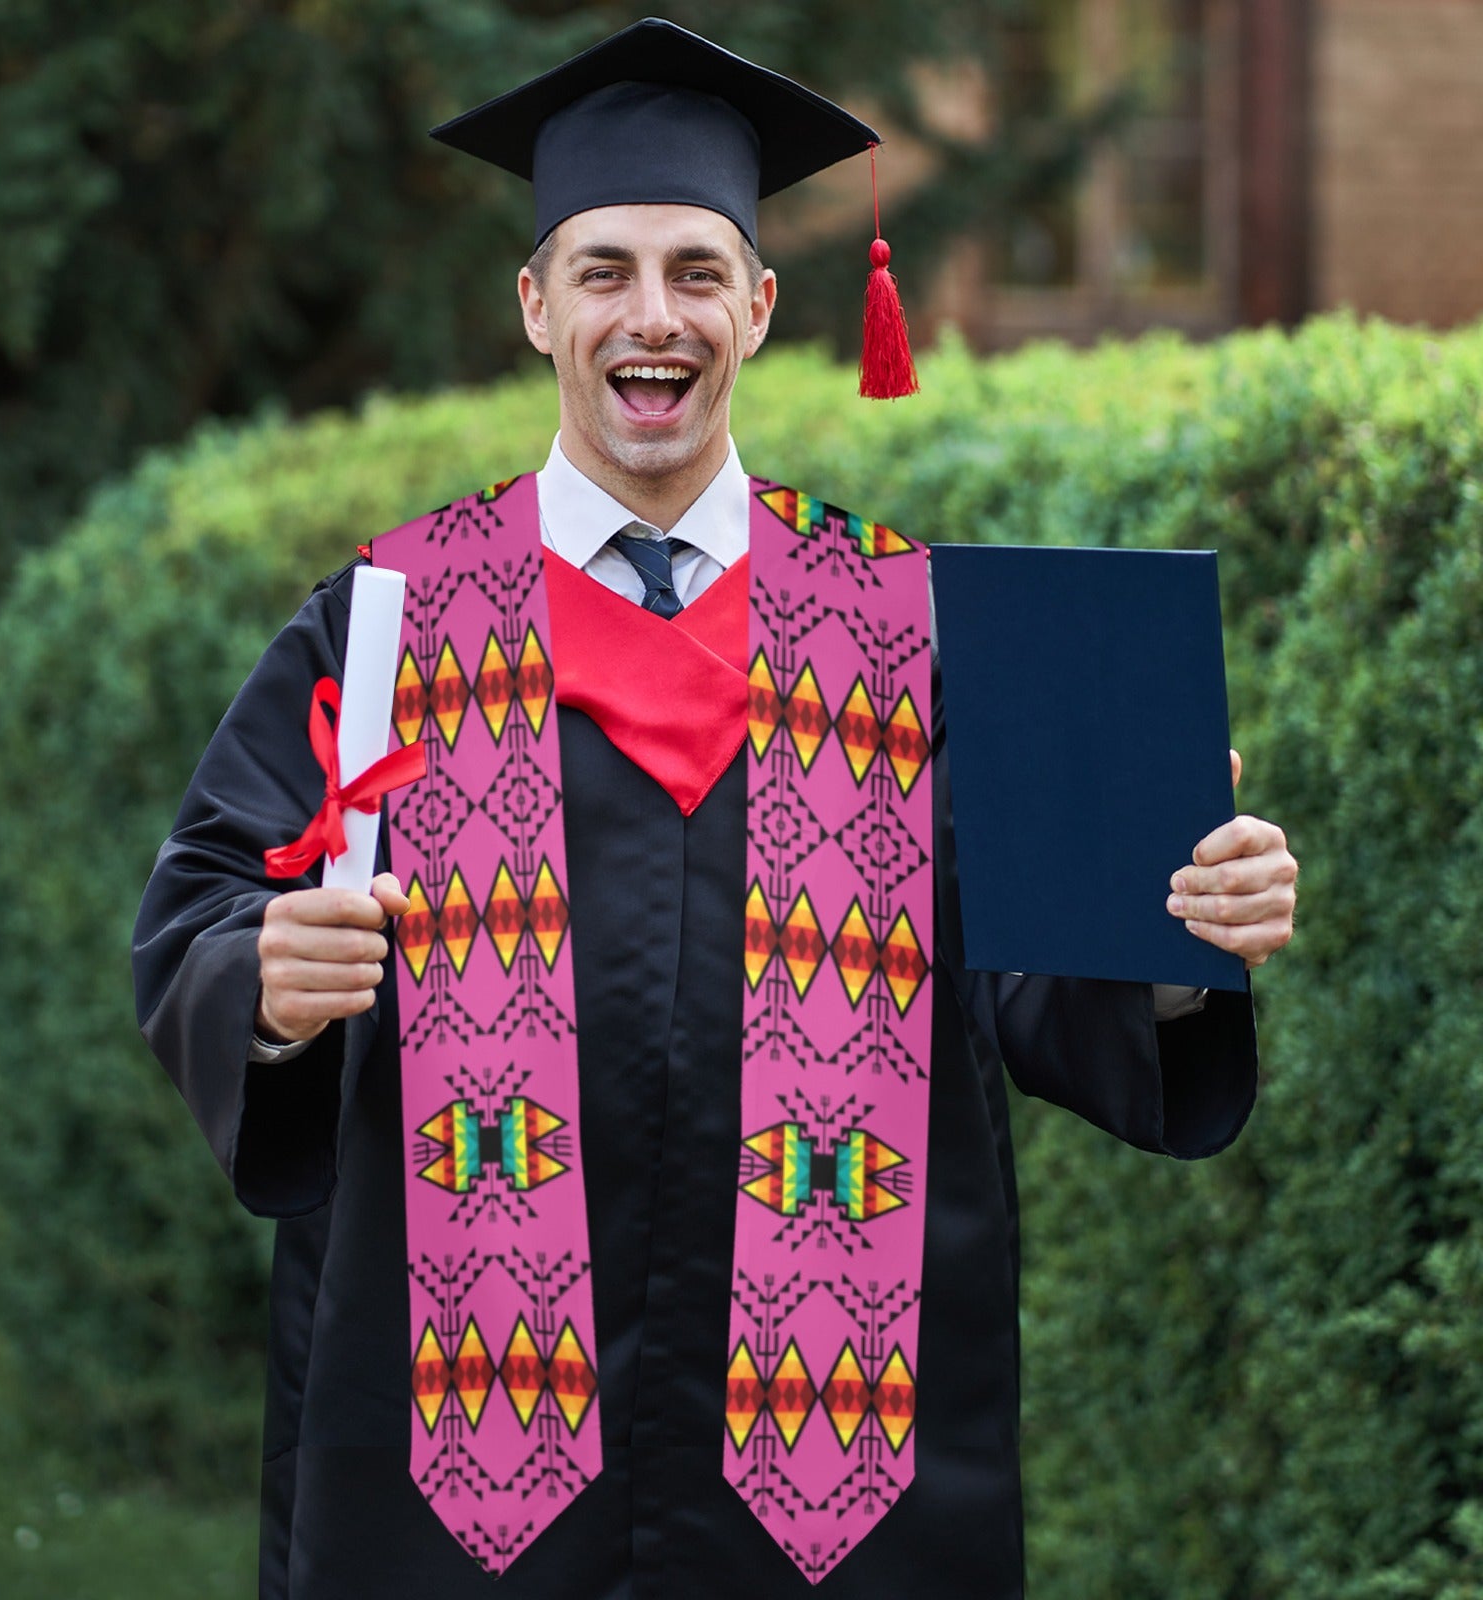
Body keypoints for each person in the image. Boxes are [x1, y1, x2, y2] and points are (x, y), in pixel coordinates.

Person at [132, 19, 1297, 1600]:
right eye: (604, 270)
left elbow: (1036, 979)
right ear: (537, 305)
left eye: (695, 270)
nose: (651, 316)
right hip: (461, 1467)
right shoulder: (393, 621)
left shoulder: (915, 627)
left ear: (759, 305)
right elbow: (206, 902)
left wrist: (1175, 934)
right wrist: (262, 983)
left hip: (839, 1476)